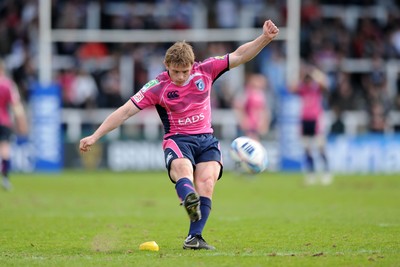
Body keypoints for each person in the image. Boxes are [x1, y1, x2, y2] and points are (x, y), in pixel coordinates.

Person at [79, 20, 279, 250]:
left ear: (193, 65)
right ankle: (188, 198)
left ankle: (194, 237)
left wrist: (264, 38)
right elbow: (125, 112)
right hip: (178, 140)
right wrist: (95, 136)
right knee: (183, 171)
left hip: (206, 139)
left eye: (185, 71)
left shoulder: (206, 70)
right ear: (166, 65)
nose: (181, 76)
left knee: (207, 183)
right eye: (175, 71)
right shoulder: (157, 86)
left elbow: (239, 55)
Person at [290, 63, 333, 186]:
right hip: (305, 120)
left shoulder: (316, 88)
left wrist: (314, 72)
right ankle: (311, 173)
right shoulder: (302, 89)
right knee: (307, 149)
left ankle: (326, 172)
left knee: (320, 147)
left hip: (316, 120)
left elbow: (326, 84)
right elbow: (291, 88)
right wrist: (301, 75)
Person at [0, 59, 28, 191]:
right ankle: (5, 178)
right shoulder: (7, 84)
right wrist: (21, 122)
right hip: (4, 121)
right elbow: (16, 105)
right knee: (5, 148)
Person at [233, 73, 270, 141]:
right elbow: (238, 106)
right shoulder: (247, 92)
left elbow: (263, 109)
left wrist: (264, 122)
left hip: (257, 125)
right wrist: (243, 120)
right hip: (248, 126)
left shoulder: (261, 94)